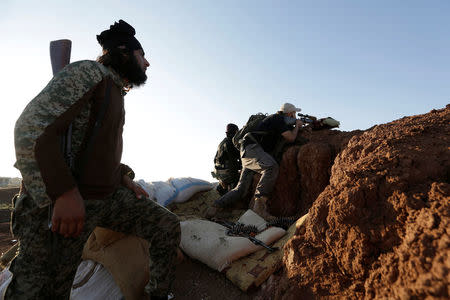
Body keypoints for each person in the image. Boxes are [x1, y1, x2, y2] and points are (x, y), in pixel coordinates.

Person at [6, 20, 180, 300]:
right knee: (44, 289)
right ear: (124, 53)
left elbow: (97, 150)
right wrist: (62, 192)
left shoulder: (114, 91)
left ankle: (157, 295)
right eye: (142, 55)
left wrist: (123, 178)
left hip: (104, 198)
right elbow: (31, 128)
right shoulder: (90, 73)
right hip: (59, 204)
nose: (147, 63)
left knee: (166, 225)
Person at [208, 103, 303, 220]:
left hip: (248, 151)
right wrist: (297, 126)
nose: (295, 116)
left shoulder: (275, 120)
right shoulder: (278, 119)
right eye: (294, 114)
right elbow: (291, 138)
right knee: (271, 167)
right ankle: (259, 207)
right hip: (252, 149)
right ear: (289, 113)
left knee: (241, 189)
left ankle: (214, 207)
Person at [212, 123, 241, 196]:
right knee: (241, 179)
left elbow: (215, 160)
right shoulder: (230, 142)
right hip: (226, 173)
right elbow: (233, 161)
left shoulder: (222, 142)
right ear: (235, 132)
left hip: (218, 173)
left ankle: (222, 189)